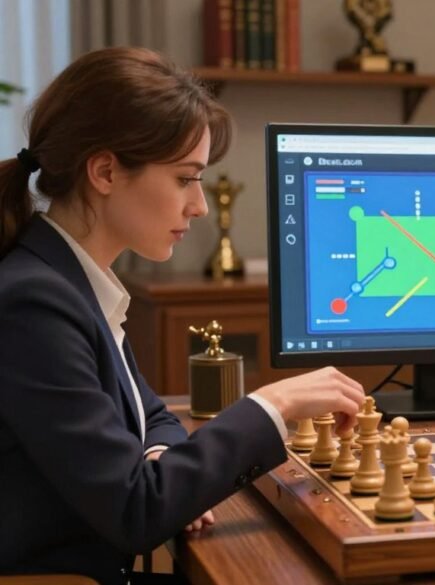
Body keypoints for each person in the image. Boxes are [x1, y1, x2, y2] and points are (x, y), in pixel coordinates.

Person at [0, 47, 366, 584]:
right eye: (184, 179)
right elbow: (135, 511)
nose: (198, 205)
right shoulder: (34, 302)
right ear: (104, 171)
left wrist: (161, 459)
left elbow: (154, 417)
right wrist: (273, 403)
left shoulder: (68, 279)